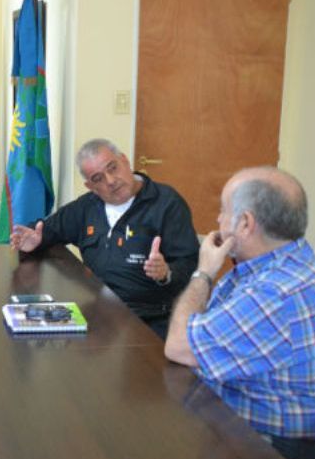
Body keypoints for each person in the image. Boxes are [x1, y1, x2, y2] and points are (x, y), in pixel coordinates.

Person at [164, 167, 315, 459]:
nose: (219, 221)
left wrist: (204, 272)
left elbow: (179, 346)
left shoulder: (272, 293)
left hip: (271, 448)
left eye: (223, 211)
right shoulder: (290, 259)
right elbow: (208, 322)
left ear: (246, 223)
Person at [11, 138, 198, 338]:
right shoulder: (86, 208)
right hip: (99, 315)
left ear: (125, 161)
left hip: (148, 319)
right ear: (90, 186)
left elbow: (190, 264)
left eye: (113, 168)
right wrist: (35, 240)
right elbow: (46, 229)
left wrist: (166, 273)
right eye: (98, 178)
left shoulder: (166, 203)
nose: (110, 181)